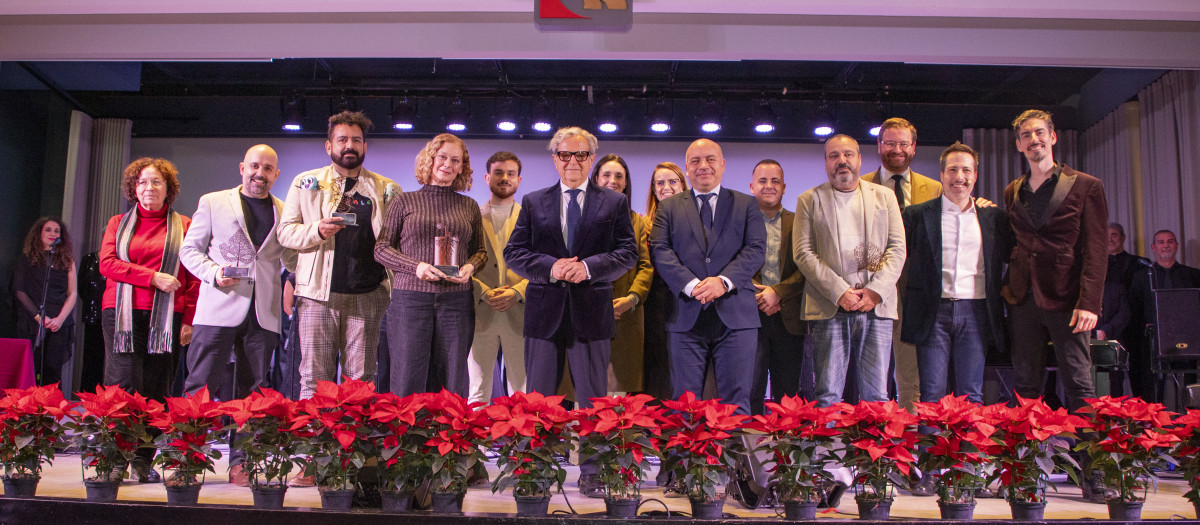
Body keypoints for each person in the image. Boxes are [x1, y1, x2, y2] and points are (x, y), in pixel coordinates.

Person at [504, 127, 637, 498]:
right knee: (541, 399)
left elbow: (628, 253)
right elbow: (514, 252)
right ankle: (538, 471)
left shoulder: (613, 203)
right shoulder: (533, 201)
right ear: (554, 158)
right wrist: (551, 266)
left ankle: (593, 471)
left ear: (592, 159)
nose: (573, 161)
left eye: (580, 155)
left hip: (591, 313)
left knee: (594, 400)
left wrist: (590, 267)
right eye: (565, 155)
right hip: (544, 314)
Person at [1001, 109, 1110, 503]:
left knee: (1080, 386)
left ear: (1053, 137)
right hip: (1024, 298)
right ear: (1018, 144)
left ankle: (1094, 473)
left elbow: (1096, 250)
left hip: (1068, 300)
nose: (1034, 140)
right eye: (1026, 136)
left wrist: (1090, 303)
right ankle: (1029, 471)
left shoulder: (1086, 185)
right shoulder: (1014, 189)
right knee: (1027, 385)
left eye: (1039, 133)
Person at [178, 144, 294, 486]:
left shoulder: (284, 210)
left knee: (253, 392)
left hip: (264, 313)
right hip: (217, 307)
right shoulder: (213, 201)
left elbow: (289, 260)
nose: (260, 174)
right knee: (199, 386)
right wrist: (214, 273)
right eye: (254, 166)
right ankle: (188, 458)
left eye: (268, 169)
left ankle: (241, 461)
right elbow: (189, 250)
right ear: (242, 167)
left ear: (276, 174)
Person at [277, 110, 401, 401]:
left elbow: (396, 241)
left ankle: (352, 444)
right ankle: (314, 445)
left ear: (365, 147)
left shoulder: (388, 188)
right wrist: (317, 230)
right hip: (317, 296)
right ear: (328, 145)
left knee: (361, 382)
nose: (350, 145)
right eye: (342, 139)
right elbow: (285, 233)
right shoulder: (305, 182)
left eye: (356, 140)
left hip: (369, 296)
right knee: (313, 379)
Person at [99, 157, 199, 483]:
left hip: (167, 319)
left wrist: (189, 320)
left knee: (157, 390)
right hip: (120, 315)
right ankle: (114, 461)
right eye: (142, 182)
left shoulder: (183, 224)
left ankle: (142, 461)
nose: (149, 188)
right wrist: (153, 277)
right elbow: (108, 264)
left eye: (156, 182)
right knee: (124, 387)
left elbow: (192, 277)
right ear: (133, 188)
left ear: (169, 188)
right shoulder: (117, 223)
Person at [649, 138, 766, 415]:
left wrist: (722, 282)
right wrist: (691, 286)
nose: (703, 166)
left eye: (710, 159)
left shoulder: (747, 204)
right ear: (687, 169)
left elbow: (756, 250)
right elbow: (660, 251)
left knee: (736, 404)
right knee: (684, 406)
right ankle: (685, 460)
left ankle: (734, 460)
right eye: (695, 161)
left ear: (723, 165)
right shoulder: (669, 208)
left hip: (736, 317)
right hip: (685, 316)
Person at [794, 134, 905, 408]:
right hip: (829, 306)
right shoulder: (809, 200)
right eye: (834, 156)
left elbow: (897, 249)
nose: (841, 161)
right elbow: (803, 253)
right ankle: (826, 452)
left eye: (848, 154)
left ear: (859, 159)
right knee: (827, 396)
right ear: (826, 163)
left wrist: (876, 291)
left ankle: (873, 452)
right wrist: (840, 291)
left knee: (877, 396)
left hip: (876, 307)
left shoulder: (885, 196)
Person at [375, 133, 485, 396]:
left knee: (452, 378)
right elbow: (381, 249)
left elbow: (480, 252)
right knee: (407, 377)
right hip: (410, 301)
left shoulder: (469, 206)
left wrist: (470, 267)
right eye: (442, 157)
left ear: (462, 167)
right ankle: (408, 437)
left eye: (455, 160)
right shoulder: (404, 201)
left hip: (456, 302)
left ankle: (449, 437)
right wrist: (417, 267)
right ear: (430, 158)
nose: (447, 164)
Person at [861, 117, 943, 410]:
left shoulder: (935, 188)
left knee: (912, 375)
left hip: (917, 292)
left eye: (903, 143)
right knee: (869, 375)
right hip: (870, 292)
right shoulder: (860, 186)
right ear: (879, 146)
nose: (897, 149)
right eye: (891, 143)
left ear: (914, 147)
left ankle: (909, 440)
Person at [747, 159, 808, 414]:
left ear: (784, 187)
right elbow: (730, 264)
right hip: (750, 317)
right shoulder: (741, 223)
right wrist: (758, 294)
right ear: (752, 187)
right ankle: (748, 451)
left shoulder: (802, 222)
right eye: (763, 181)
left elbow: (808, 268)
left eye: (775, 181)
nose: (769, 186)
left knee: (788, 398)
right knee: (750, 391)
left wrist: (777, 293)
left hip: (790, 318)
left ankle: (785, 452)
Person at [467, 151, 528, 404]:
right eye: (499, 173)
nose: (505, 178)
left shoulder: (532, 218)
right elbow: (461, 262)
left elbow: (542, 263)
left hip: (521, 313)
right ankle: (477, 446)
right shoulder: (470, 217)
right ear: (487, 176)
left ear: (519, 179)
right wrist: (482, 291)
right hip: (481, 311)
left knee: (523, 391)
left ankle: (521, 445)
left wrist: (518, 291)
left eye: (510, 174)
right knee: (478, 391)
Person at [590, 154, 654, 395]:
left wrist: (632, 299)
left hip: (626, 314)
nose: (612, 180)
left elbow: (645, 267)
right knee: (586, 391)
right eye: (606, 174)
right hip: (589, 314)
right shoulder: (580, 217)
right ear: (595, 178)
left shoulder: (636, 221)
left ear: (626, 182)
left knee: (620, 394)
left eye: (619, 176)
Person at [1128, 229, 1200, 401]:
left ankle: (1188, 424)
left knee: (1187, 386)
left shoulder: (1193, 275)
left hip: (1186, 340)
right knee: (1153, 389)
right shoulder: (1143, 276)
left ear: (1176, 245)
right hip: (1153, 342)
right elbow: (1134, 311)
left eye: (1170, 241)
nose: (1166, 245)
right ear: (1153, 247)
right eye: (1161, 242)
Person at [641, 162, 688, 402]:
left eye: (672, 181)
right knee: (656, 369)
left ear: (683, 185)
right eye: (660, 182)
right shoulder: (643, 225)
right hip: (654, 304)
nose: (666, 187)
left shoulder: (698, 222)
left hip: (688, 300)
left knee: (684, 370)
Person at [12, 217, 77, 386]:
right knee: (31, 368)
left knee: (52, 369)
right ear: (39, 233)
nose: (52, 233)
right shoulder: (26, 259)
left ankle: (51, 408)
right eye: (48, 229)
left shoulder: (67, 261)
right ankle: (30, 407)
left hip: (58, 322)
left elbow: (73, 293)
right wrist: (39, 317)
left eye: (56, 231)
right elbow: (19, 291)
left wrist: (60, 319)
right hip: (33, 321)